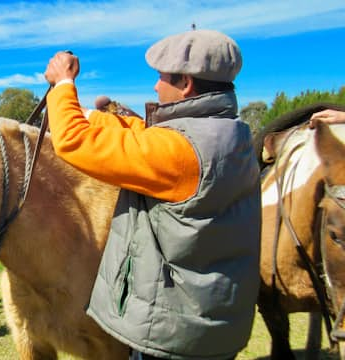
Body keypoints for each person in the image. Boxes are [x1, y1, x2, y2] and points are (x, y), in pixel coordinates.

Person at [44, 30, 261, 360]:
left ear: (186, 83)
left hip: (175, 335)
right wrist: (89, 115)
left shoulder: (179, 151)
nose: (155, 86)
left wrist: (63, 85)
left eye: (161, 77)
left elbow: (73, 142)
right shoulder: (231, 136)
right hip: (211, 319)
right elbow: (147, 136)